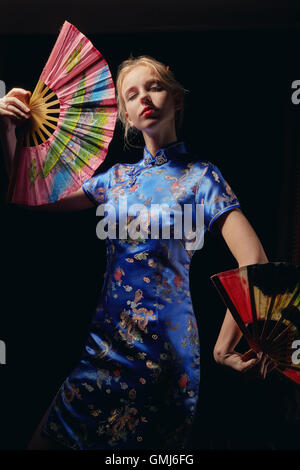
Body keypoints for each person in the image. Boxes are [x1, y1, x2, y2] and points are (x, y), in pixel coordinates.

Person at [0, 56, 274, 450]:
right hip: (103, 351)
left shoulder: (203, 177)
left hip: (165, 358)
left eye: (155, 87)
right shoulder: (115, 180)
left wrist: (224, 346)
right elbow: (32, 198)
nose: (144, 97)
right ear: (126, 115)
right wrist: (6, 129)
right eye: (132, 94)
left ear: (176, 100)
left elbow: (255, 263)